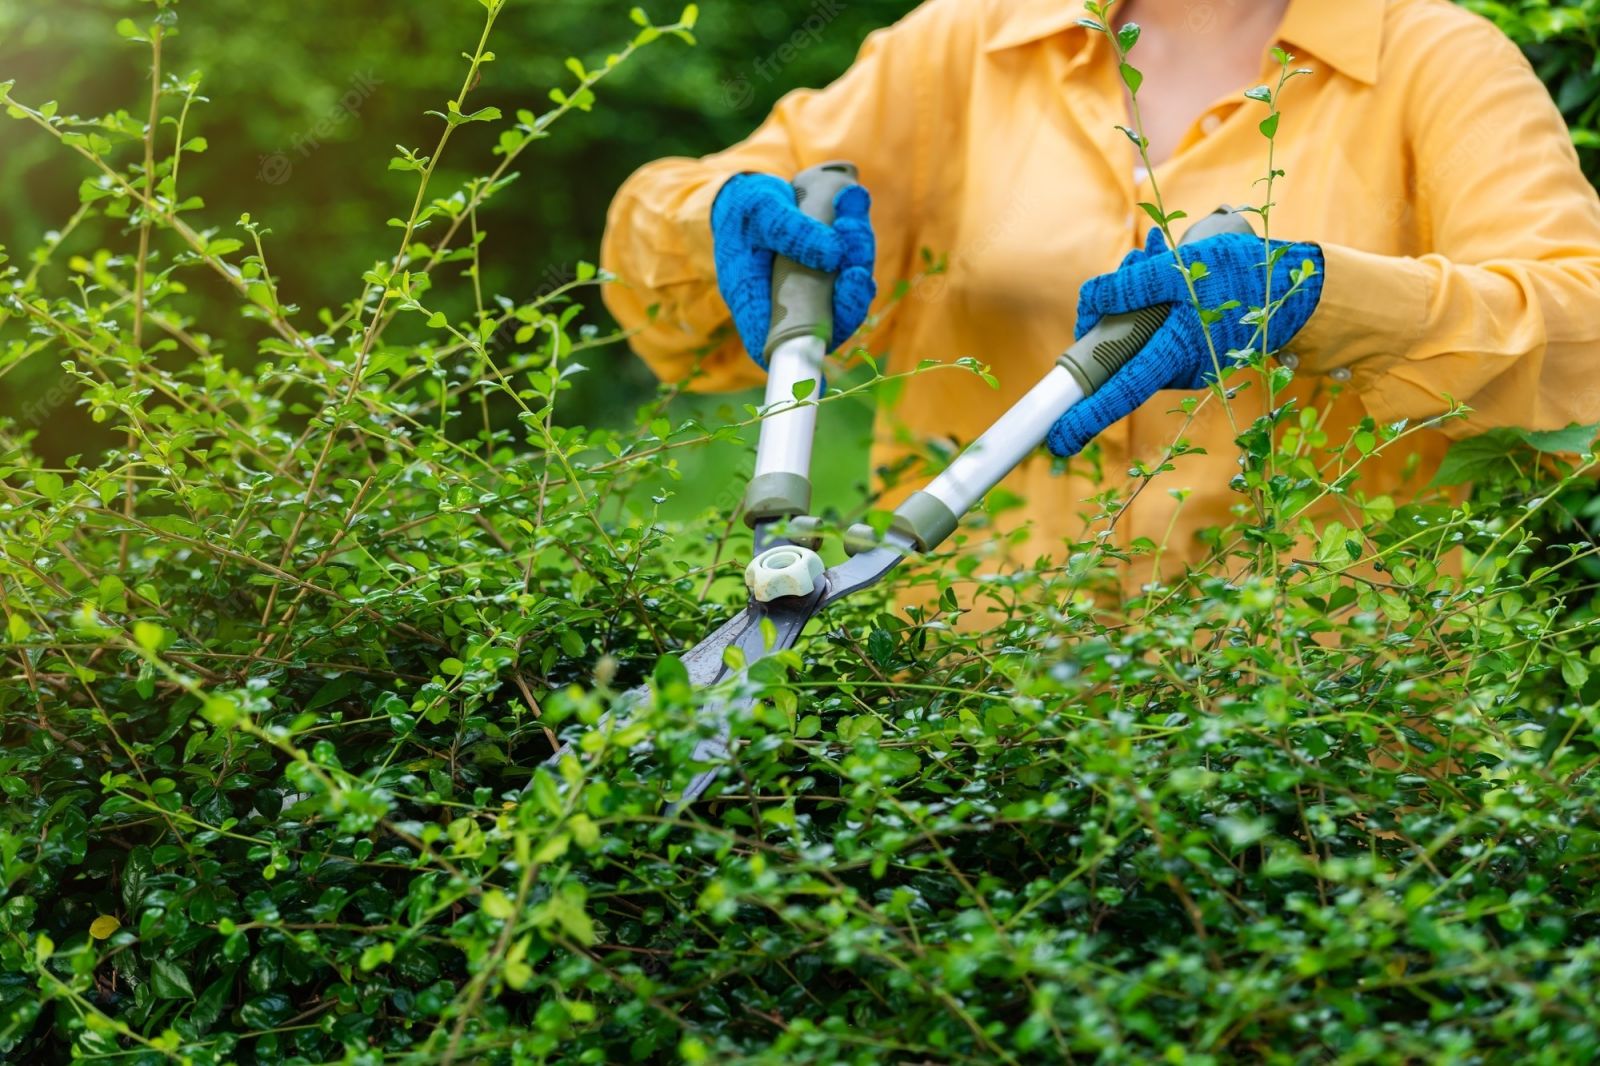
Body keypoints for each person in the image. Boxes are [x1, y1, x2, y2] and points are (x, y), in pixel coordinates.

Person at [601, 0, 1600, 592]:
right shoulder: (961, 47)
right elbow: (677, 289)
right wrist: (721, 217)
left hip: (1325, 765)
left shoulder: (1435, 59)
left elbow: (1579, 338)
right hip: (958, 734)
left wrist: (1321, 299)